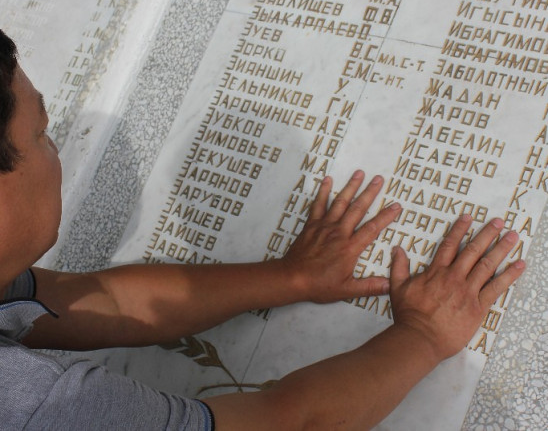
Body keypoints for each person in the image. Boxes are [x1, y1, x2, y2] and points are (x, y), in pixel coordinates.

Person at [0, 27, 525, 430]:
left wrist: (292, 276)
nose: (57, 148)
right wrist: (425, 336)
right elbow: (287, 424)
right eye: (42, 133)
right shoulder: (32, 405)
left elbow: (101, 302)